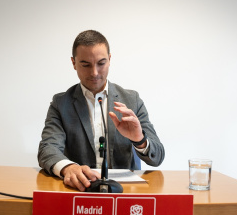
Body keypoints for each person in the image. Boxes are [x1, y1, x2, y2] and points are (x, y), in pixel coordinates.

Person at [37, 30, 165, 191]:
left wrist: (139, 139)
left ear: (110, 60)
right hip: (80, 190)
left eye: (101, 63)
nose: (94, 73)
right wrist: (68, 168)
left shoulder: (131, 100)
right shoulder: (61, 103)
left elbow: (157, 157)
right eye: (85, 65)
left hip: (124, 193)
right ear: (73, 63)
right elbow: (48, 149)